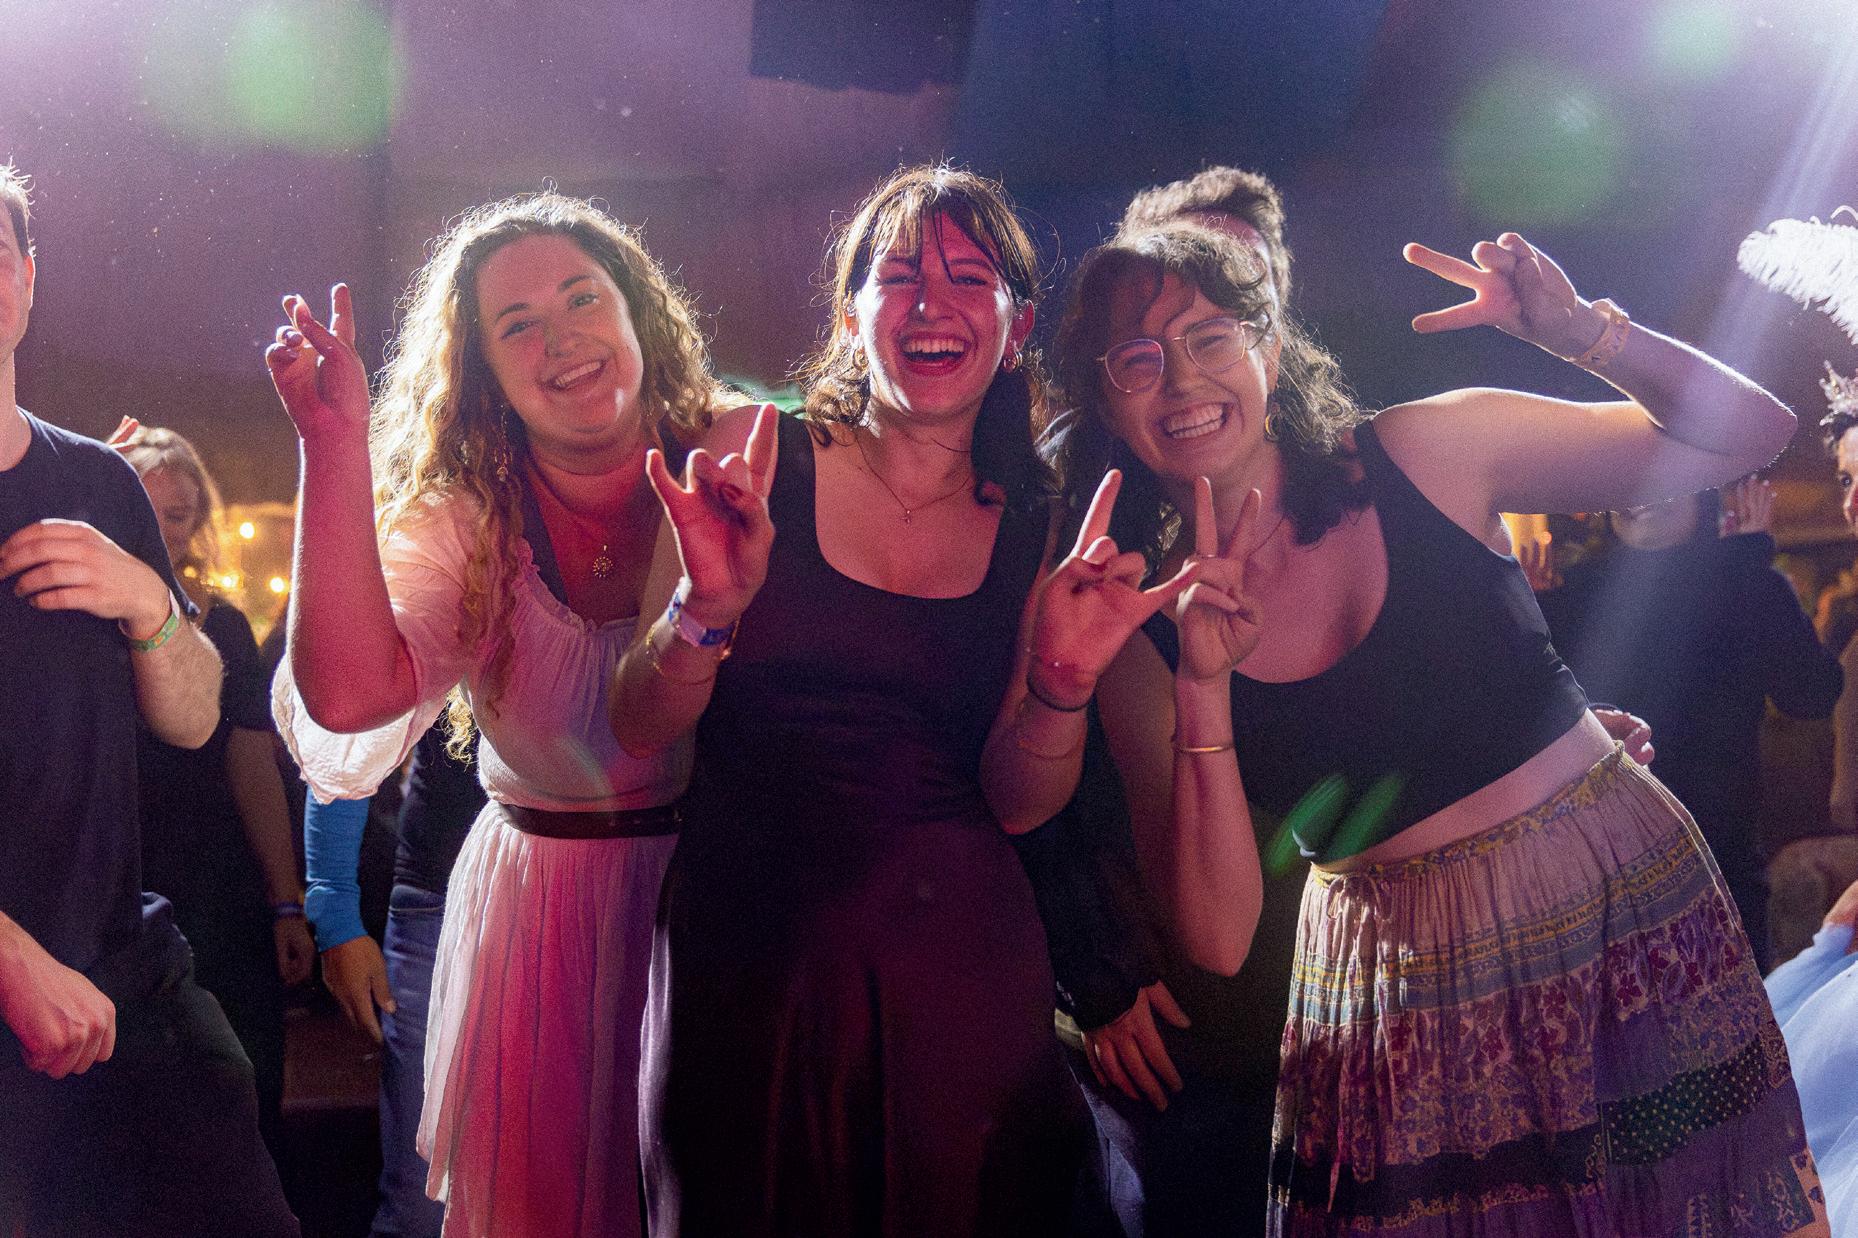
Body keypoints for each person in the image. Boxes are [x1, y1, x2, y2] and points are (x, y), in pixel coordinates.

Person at [997, 215, 1828, 1234]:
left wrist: (1582, 333)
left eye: (1210, 337)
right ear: (1105, 404)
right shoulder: (1144, 634)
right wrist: (1205, 685)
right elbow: (1215, 937)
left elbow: (1751, 434)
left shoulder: (1425, 448)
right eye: (1138, 359)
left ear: (1268, 350)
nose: (1182, 379)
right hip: (1396, 999)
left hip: (1607, 908)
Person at [614, 164, 1096, 1237]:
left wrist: (1062, 689)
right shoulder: (749, 453)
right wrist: (703, 610)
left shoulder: (1039, 519)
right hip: (748, 965)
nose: (932, 302)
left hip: (958, 983)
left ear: (1015, 328)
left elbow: (1018, 801)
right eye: (899, 274)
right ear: (848, 315)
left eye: (970, 277)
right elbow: (638, 725)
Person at [266, 190, 729, 1236]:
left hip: (718, 903)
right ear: (482, 372)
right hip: (543, 919)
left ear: (638, 311)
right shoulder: (469, 518)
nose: (560, 339)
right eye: (518, 325)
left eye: (583, 298)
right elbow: (349, 696)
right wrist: (331, 444)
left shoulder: (736, 462)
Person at [0, 163, 299, 1235]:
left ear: (27, 280)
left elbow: (194, 717)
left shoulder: (99, 482)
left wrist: (150, 607)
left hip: (128, 969)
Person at [110, 421, 318, 1160]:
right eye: (142, 506)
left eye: (178, 514)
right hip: (115, 879)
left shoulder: (222, 625)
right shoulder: (69, 616)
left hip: (217, 880)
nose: (161, 529)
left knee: (244, 1084)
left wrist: (285, 902)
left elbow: (253, 765)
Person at [1533, 479, 1842, 971]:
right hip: (1598, 869)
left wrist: (1748, 571)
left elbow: (1810, 695)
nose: (1641, 492)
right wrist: (1524, 618)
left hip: (1717, 856)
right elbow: (1531, 727)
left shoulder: (1741, 580)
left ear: (1702, 493)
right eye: (1628, 478)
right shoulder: (1572, 593)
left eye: (1665, 479)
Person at [302, 723, 484, 1238]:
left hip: (605, 890)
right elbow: (348, 725)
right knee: (421, 1203)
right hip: (439, 899)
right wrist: (334, 909)